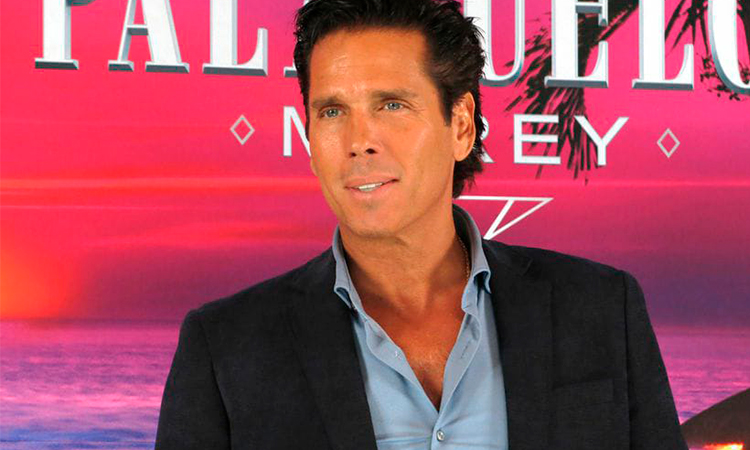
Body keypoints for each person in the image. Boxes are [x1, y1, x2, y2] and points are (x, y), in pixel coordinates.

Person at [154, 0, 688, 448]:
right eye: (332, 111)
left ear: (461, 126)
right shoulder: (226, 347)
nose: (359, 141)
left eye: (391, 105)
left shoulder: (601, 308)